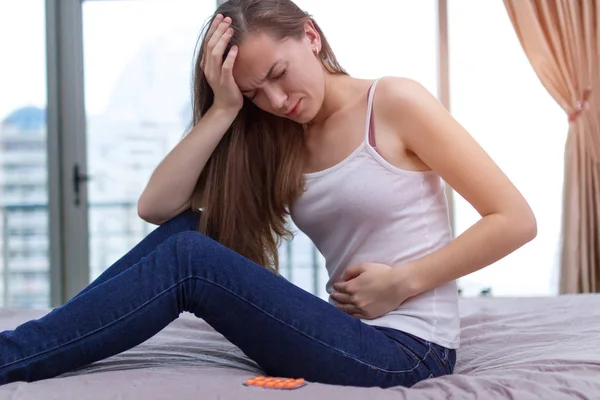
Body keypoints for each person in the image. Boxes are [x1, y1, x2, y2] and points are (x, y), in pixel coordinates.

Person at [0, 0, 537, 389]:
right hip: (349, 335)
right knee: (191, 233)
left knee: (190, 261)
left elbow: (514, 218)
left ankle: (12, 355)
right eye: (256, 92)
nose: (277, 100)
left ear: (311, 35)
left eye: (279, 74)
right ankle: (32, 344)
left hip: (409, 352)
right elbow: (156, 207)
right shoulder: (281, 139)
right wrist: (225, 108)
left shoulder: (393, 102)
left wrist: (403, 281)